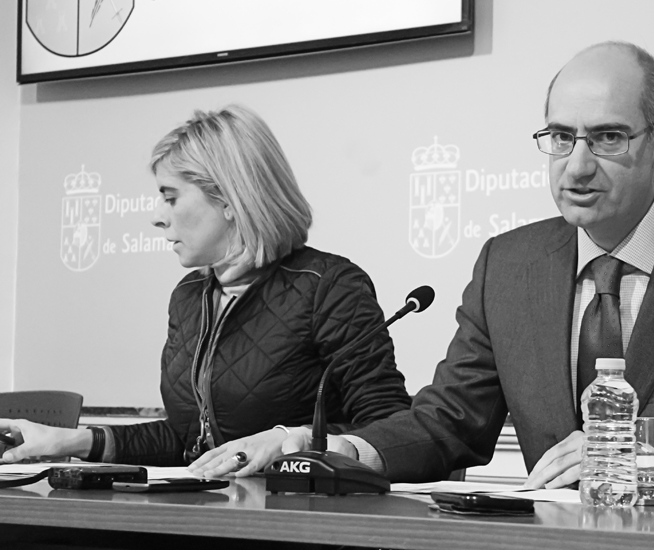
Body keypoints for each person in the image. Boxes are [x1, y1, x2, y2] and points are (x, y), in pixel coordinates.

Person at [280, 42, 654, 497]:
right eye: (561, 138)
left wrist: (643, 464)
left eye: (608, 137)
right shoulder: (508, 265)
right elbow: (449, 421)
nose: (576, 167)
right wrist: (345, 451)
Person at [0, 105, 411, 476]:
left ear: (230, 200)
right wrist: (66, 440)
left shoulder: (329, 287)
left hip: (299, 514)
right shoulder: (190, 295)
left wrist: (292, 439)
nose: (156, 217)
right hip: (213, 510)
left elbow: (390, 428)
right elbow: (188, 441)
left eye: (170, 198)